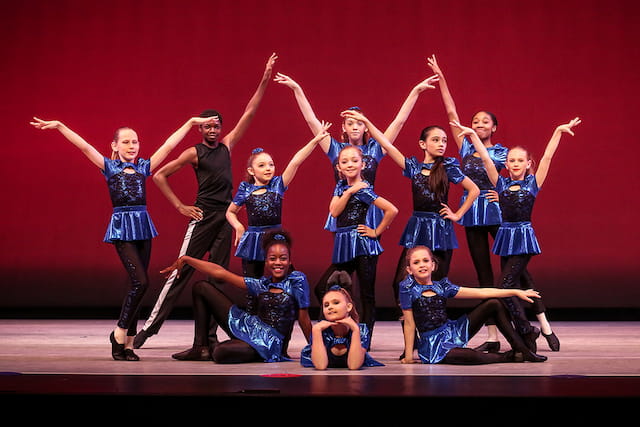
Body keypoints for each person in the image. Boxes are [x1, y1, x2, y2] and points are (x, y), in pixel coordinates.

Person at [29, 115, 213, 360]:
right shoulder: (110, 167)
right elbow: (84, 146)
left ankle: (127, 344)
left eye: (135, 141)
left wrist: (189, 124)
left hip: (143, 227)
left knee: (134, 285)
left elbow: (168, 147)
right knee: (141, 281)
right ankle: (119, 332)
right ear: (114, 146)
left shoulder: (142, 167)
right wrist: (61, 126)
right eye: (126, 142)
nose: (132, 146)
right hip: (122, 228)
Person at [134, 53, 278, 349]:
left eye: (216, 126)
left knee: (217, 278)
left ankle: (208, 337)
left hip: (225, 218)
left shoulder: (226, 146)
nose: (213, 130)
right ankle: (149, 328)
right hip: (203, 217)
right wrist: (180, 206)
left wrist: (264, 78)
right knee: (181, 270)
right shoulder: (194, 152)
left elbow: (249, 112)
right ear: (201, 129)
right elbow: (160, 175)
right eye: (208, 126)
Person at [451, 117, 582, 352]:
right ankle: (527, 332)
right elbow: (487, 161)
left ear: (528, 163)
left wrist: (557, 131)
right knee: (508, 287)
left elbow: (547, 158)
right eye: (511, 160)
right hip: (505, 239)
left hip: (522, 239)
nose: (514, 163)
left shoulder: (532, 183)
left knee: (505, 285)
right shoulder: (499, 184)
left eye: (520, 160)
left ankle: (526, 329)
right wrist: (472, 135)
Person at [339, 107, 479, 305]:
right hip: (417, 227)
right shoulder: (413, 167)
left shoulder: (448, 166)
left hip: (440, 231)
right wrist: (366, 122)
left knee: (437, 285)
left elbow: (474, 190)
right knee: (400, 282)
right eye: (436, 140)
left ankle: (432, 326)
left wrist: (457, 215)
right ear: (423, 144)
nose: (441, 144)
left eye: (444, 140)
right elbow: (386, 143)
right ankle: (409, 322)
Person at [274, 71, 440, 233]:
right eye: (350, 123)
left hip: (369, 211)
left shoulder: (375, 149)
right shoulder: (336, 150)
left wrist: (415, 92)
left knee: (368, 257)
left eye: (359, 123)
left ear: (366, 126)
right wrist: (297, 89)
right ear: (344, 127)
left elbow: (399, 122)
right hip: (342, 207)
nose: (355, 126)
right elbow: (311, 121)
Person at [428, 54, 508, 352]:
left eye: (484, 122)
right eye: (475, 121)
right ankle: (492, 336)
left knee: (513, 269)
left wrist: (503, 194)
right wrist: (442, 78)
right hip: (472, 213)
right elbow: (451, 112)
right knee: (483, 272)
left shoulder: (502, 151)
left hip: (496, 211)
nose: (478, 124)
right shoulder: (463, 145)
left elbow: (514, 177)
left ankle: (533, 320)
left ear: (494, 128)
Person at [160, 230, 312, 363]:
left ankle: (242, 348)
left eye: (283, 258)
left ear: (290, 260)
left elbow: (304, 318)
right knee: (202, 288)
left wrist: (314, 347)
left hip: (270, 343)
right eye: (273, 258)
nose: (278, 263)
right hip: (250, 327)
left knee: (220, 352)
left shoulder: (296, 281)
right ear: (266, 262)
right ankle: (200, 347)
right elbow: (221, 273)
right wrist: (186, 260)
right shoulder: (261, 284)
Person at [399, 246, 547, 364]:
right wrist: (408, 356)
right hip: (433, 345)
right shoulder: (407, 289)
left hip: (452, 331)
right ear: (409, 269)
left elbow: (481, 293)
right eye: (416, 262)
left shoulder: (443, 286)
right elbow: (409, 324)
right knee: (468, 355)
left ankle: (521, 349)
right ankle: (510, 356)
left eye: (425, 261)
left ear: (433, 265)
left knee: (493, 303)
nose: (422, 265)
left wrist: (515, 292)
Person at [226, 122, 331, 278]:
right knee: (253, 284)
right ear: (251, 171)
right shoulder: (246, 189)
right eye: (262, 165)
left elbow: (295, 161)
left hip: (275, 239)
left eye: (271, 164)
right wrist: (238, 226)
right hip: (253, 241)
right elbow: (230, 212)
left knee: (288, 280)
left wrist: (315, 140)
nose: (268, 168)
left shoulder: (277, 185)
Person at [317, 145, 398, 340]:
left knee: (366, 295)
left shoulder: (364, 190)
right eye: (345, 162)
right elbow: (334, 212)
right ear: (339, 167)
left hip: (363, 245)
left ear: (363, 164)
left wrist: (376, 231)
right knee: (322, 287)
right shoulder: (342, 187)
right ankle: (341, 328)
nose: (350, 164)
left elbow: (392, 210)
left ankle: (364, 340)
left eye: (354, 160)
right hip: (345, 244)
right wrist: (348, 191)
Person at [300, 281, 384, 370]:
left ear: (348, 307)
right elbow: (320, 366)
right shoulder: (320, 331)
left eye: (336, 303)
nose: (330, 307)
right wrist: (316, 331)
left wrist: (355, 329)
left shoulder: (361, 330)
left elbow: (354, 366)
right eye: (326, 305)